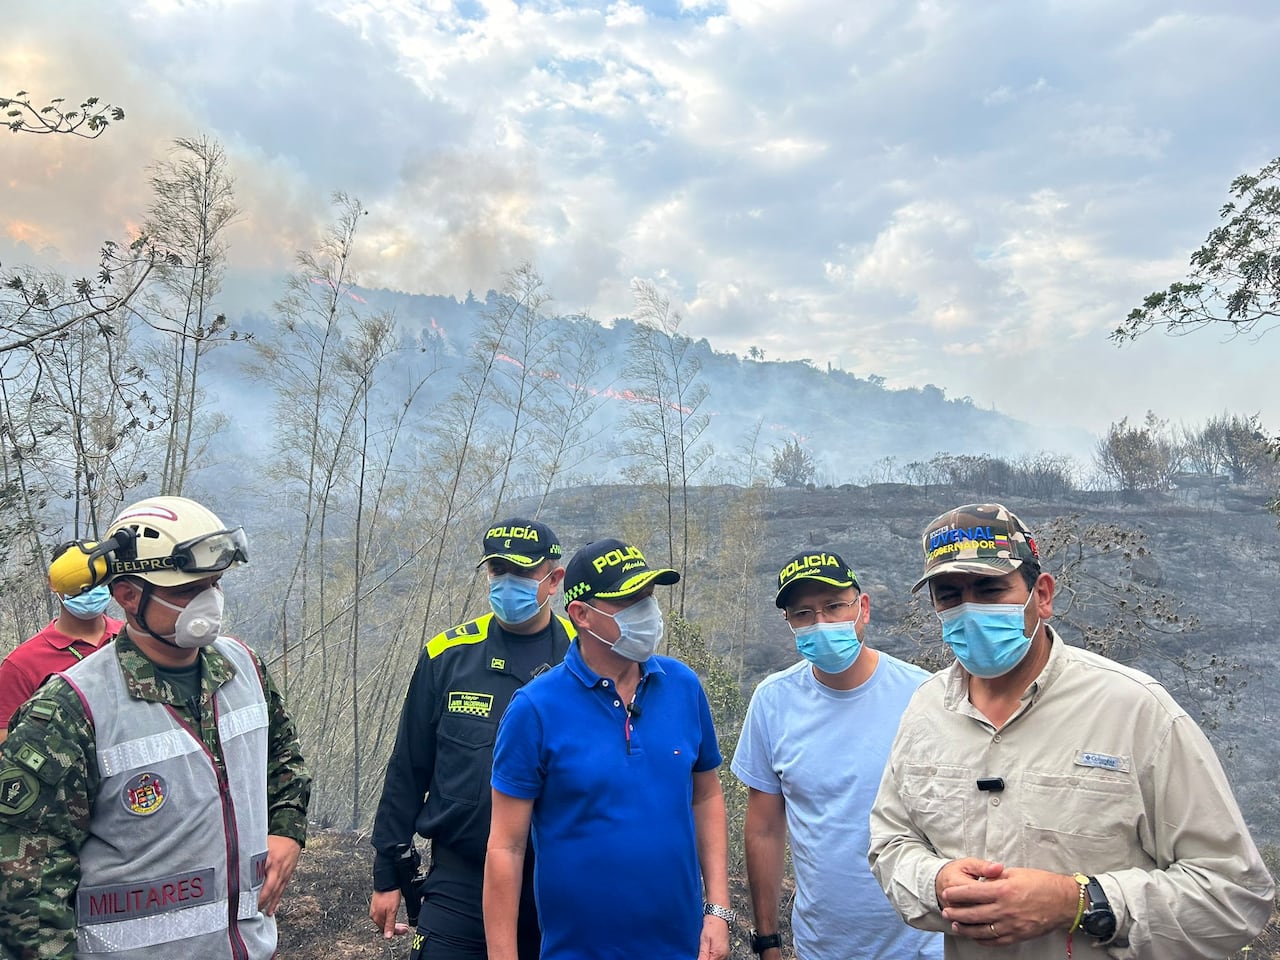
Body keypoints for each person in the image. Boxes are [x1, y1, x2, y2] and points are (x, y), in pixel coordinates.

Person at [868, 503, 1275, 959]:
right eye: (949, 596)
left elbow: (1235, 894)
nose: (970, 610)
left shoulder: (1135, 710)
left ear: (1041, 594)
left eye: (990, 588)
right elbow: (891, 843)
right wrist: (936, 881)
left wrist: (1079, 902)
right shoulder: (926, 709)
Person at [0, 495, 311, 959]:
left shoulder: (244, 667)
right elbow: (26, 883)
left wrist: (286, 830)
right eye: (188, 589)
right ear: (128, 595)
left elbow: (283, 762)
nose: (210, 599)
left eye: (215, 583)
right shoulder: (70, 709)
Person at [485, 538, 732, 960]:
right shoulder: (535, 709)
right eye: (629, 601)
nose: (648, 614)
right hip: (578, 951)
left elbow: (706, 795)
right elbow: (505, 849)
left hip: (682, 947)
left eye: (648, 597)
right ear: (581, 614)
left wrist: (717, 911)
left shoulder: (683, 687)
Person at [370, 518, 574, 960]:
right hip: (462, 879)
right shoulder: (448, 656)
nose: (506, 583)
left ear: (554, 580)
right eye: (497, 571)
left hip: (561, 883)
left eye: (520, 573)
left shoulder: (584, 659)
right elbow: (408, 766)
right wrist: (386, 870)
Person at [732, 550, 941, 960]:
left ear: (862, 608)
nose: (821, 624)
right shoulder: (773, 702)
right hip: (823, 947)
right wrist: (768, 940)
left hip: (922, 944)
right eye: (804, 614)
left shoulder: (923, 696)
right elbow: (764, 830)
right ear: (790, 623)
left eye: (833, 607)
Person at [0, 543, 124, 743]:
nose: (88, 588)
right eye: (76, 579)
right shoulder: (21, 664)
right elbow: (5, 745)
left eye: (96, 578)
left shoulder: (130, 639)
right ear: (53, 582)